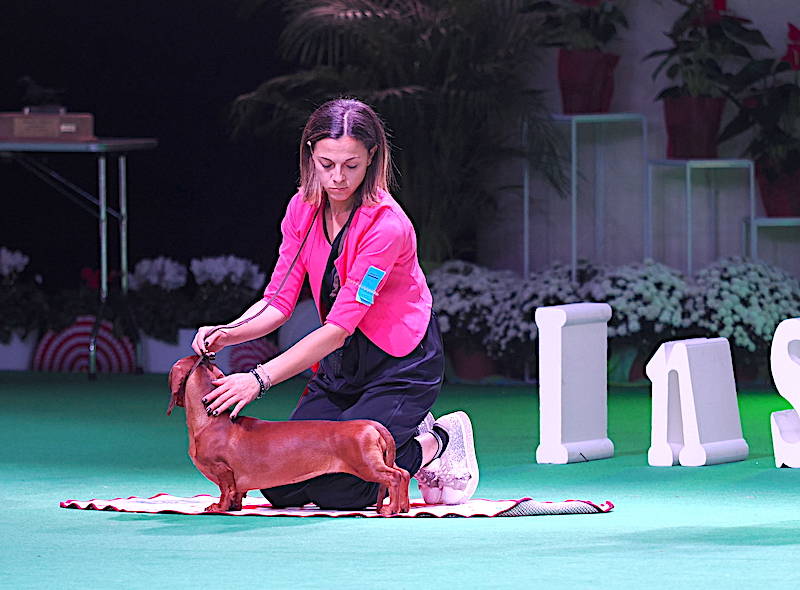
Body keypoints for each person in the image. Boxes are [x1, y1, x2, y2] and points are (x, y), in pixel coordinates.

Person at [192, 98, 478, 509]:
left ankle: (437, 442)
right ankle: (403, 434)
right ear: (310, 154)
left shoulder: (387, 226)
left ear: (372, 158)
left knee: (343, 489)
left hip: (400, 365)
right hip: (342, 362)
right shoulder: (301, 210)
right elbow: (277, 300)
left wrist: (258, 379)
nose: (338, 178)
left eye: (352, 165)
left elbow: (340, 326)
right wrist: (229, 332)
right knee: (278, 480)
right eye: (327, 164)